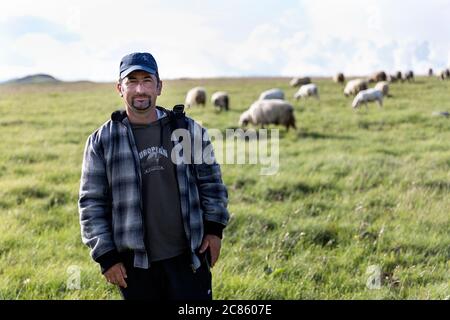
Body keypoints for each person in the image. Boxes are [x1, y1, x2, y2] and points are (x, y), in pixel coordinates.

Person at [78, 52, 229, 300]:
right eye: (131, 81)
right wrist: (106, 257)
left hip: (188, 257)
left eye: (147, 80)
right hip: (134, 266)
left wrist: (214, 230)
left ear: (159, 86)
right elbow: (91, 203)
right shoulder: (102, 141)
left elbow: (211, 183)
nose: (140, 89)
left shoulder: (187, 130)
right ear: (119, 88)